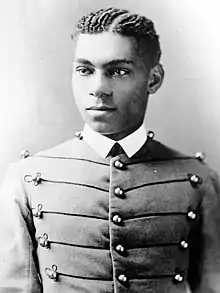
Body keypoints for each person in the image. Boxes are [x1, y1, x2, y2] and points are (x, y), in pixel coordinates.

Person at [0, 6, 220, 293]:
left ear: (153, 79)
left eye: (118, 71)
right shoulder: (26, 180)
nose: (99, 88)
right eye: (85, 70)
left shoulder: (199, 181)